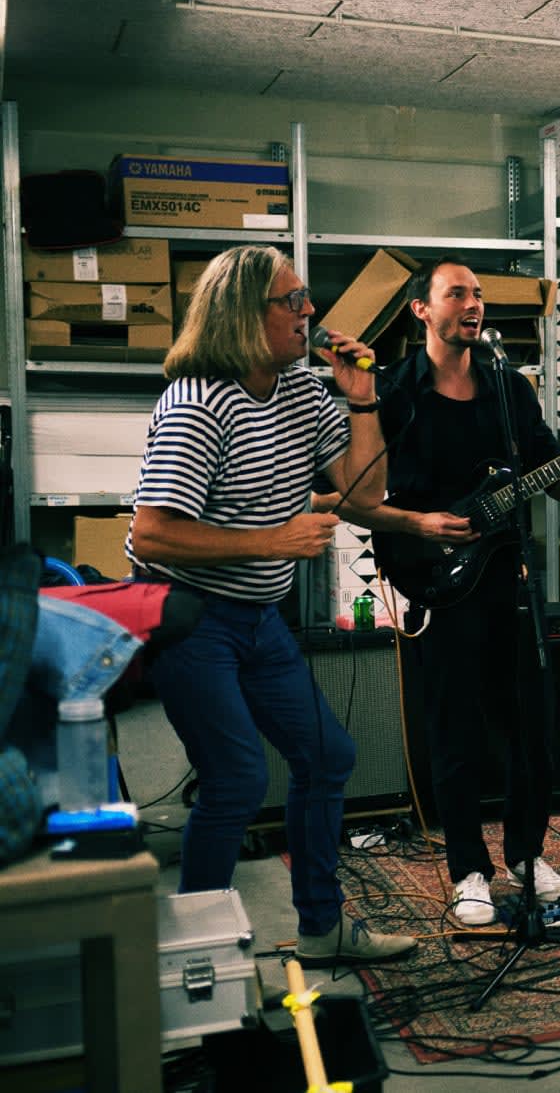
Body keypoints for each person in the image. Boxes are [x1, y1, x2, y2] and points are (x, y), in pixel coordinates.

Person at [338, 257, 560, 927]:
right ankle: (467, 870)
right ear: (422, 308)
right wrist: (419, 522)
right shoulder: (393, 391)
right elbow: (354, 500)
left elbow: (556, 480)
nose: (474, 303)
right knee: (454, 731)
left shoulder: (512, 391)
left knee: (532, 727)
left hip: (511, 582)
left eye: (479, 293)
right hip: (436, 581)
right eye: (458, 293)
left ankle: (526, 854)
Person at [127, 244, 415, 964]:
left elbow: (364, 493)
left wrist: (360, 394)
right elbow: (151, 534)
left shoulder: (301, 392)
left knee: (327, 755)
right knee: (237, 779)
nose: (309, 312)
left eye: (306, 298)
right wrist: (272, 539)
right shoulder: (198, 405)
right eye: (292, 301)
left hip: (259, 616)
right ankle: (199, 955)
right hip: (189, 615)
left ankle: (323, 928)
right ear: (241, 315)